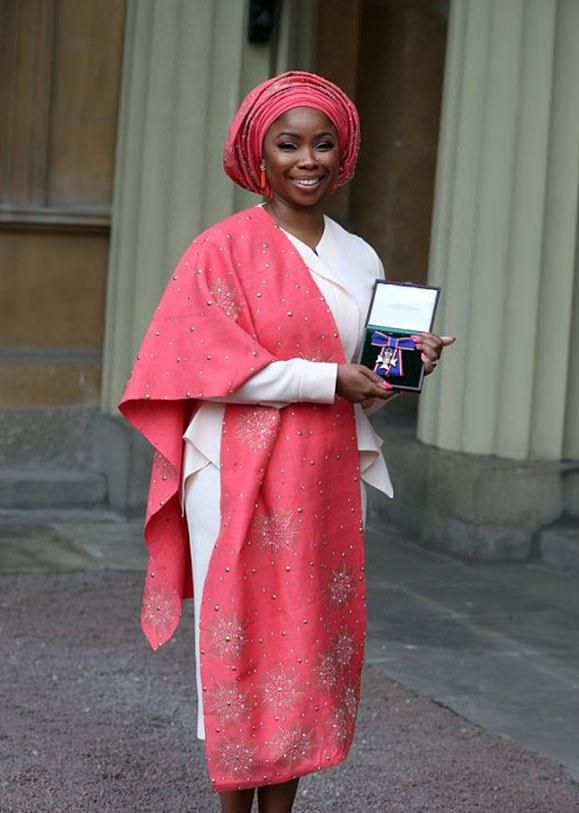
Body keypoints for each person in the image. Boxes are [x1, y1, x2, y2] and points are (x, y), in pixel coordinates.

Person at [119, 71, 454, 813]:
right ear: (258, 154)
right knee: (243, 639)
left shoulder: (360, 257)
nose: (308, 160)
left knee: (305, 646)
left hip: (324, 469)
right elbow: (202, 365)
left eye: (323, 144)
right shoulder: (219, 250)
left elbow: (361, 379)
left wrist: (401, 368)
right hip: (232, 468)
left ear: (344, 154)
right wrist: (328, 379)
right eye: (289, 143)